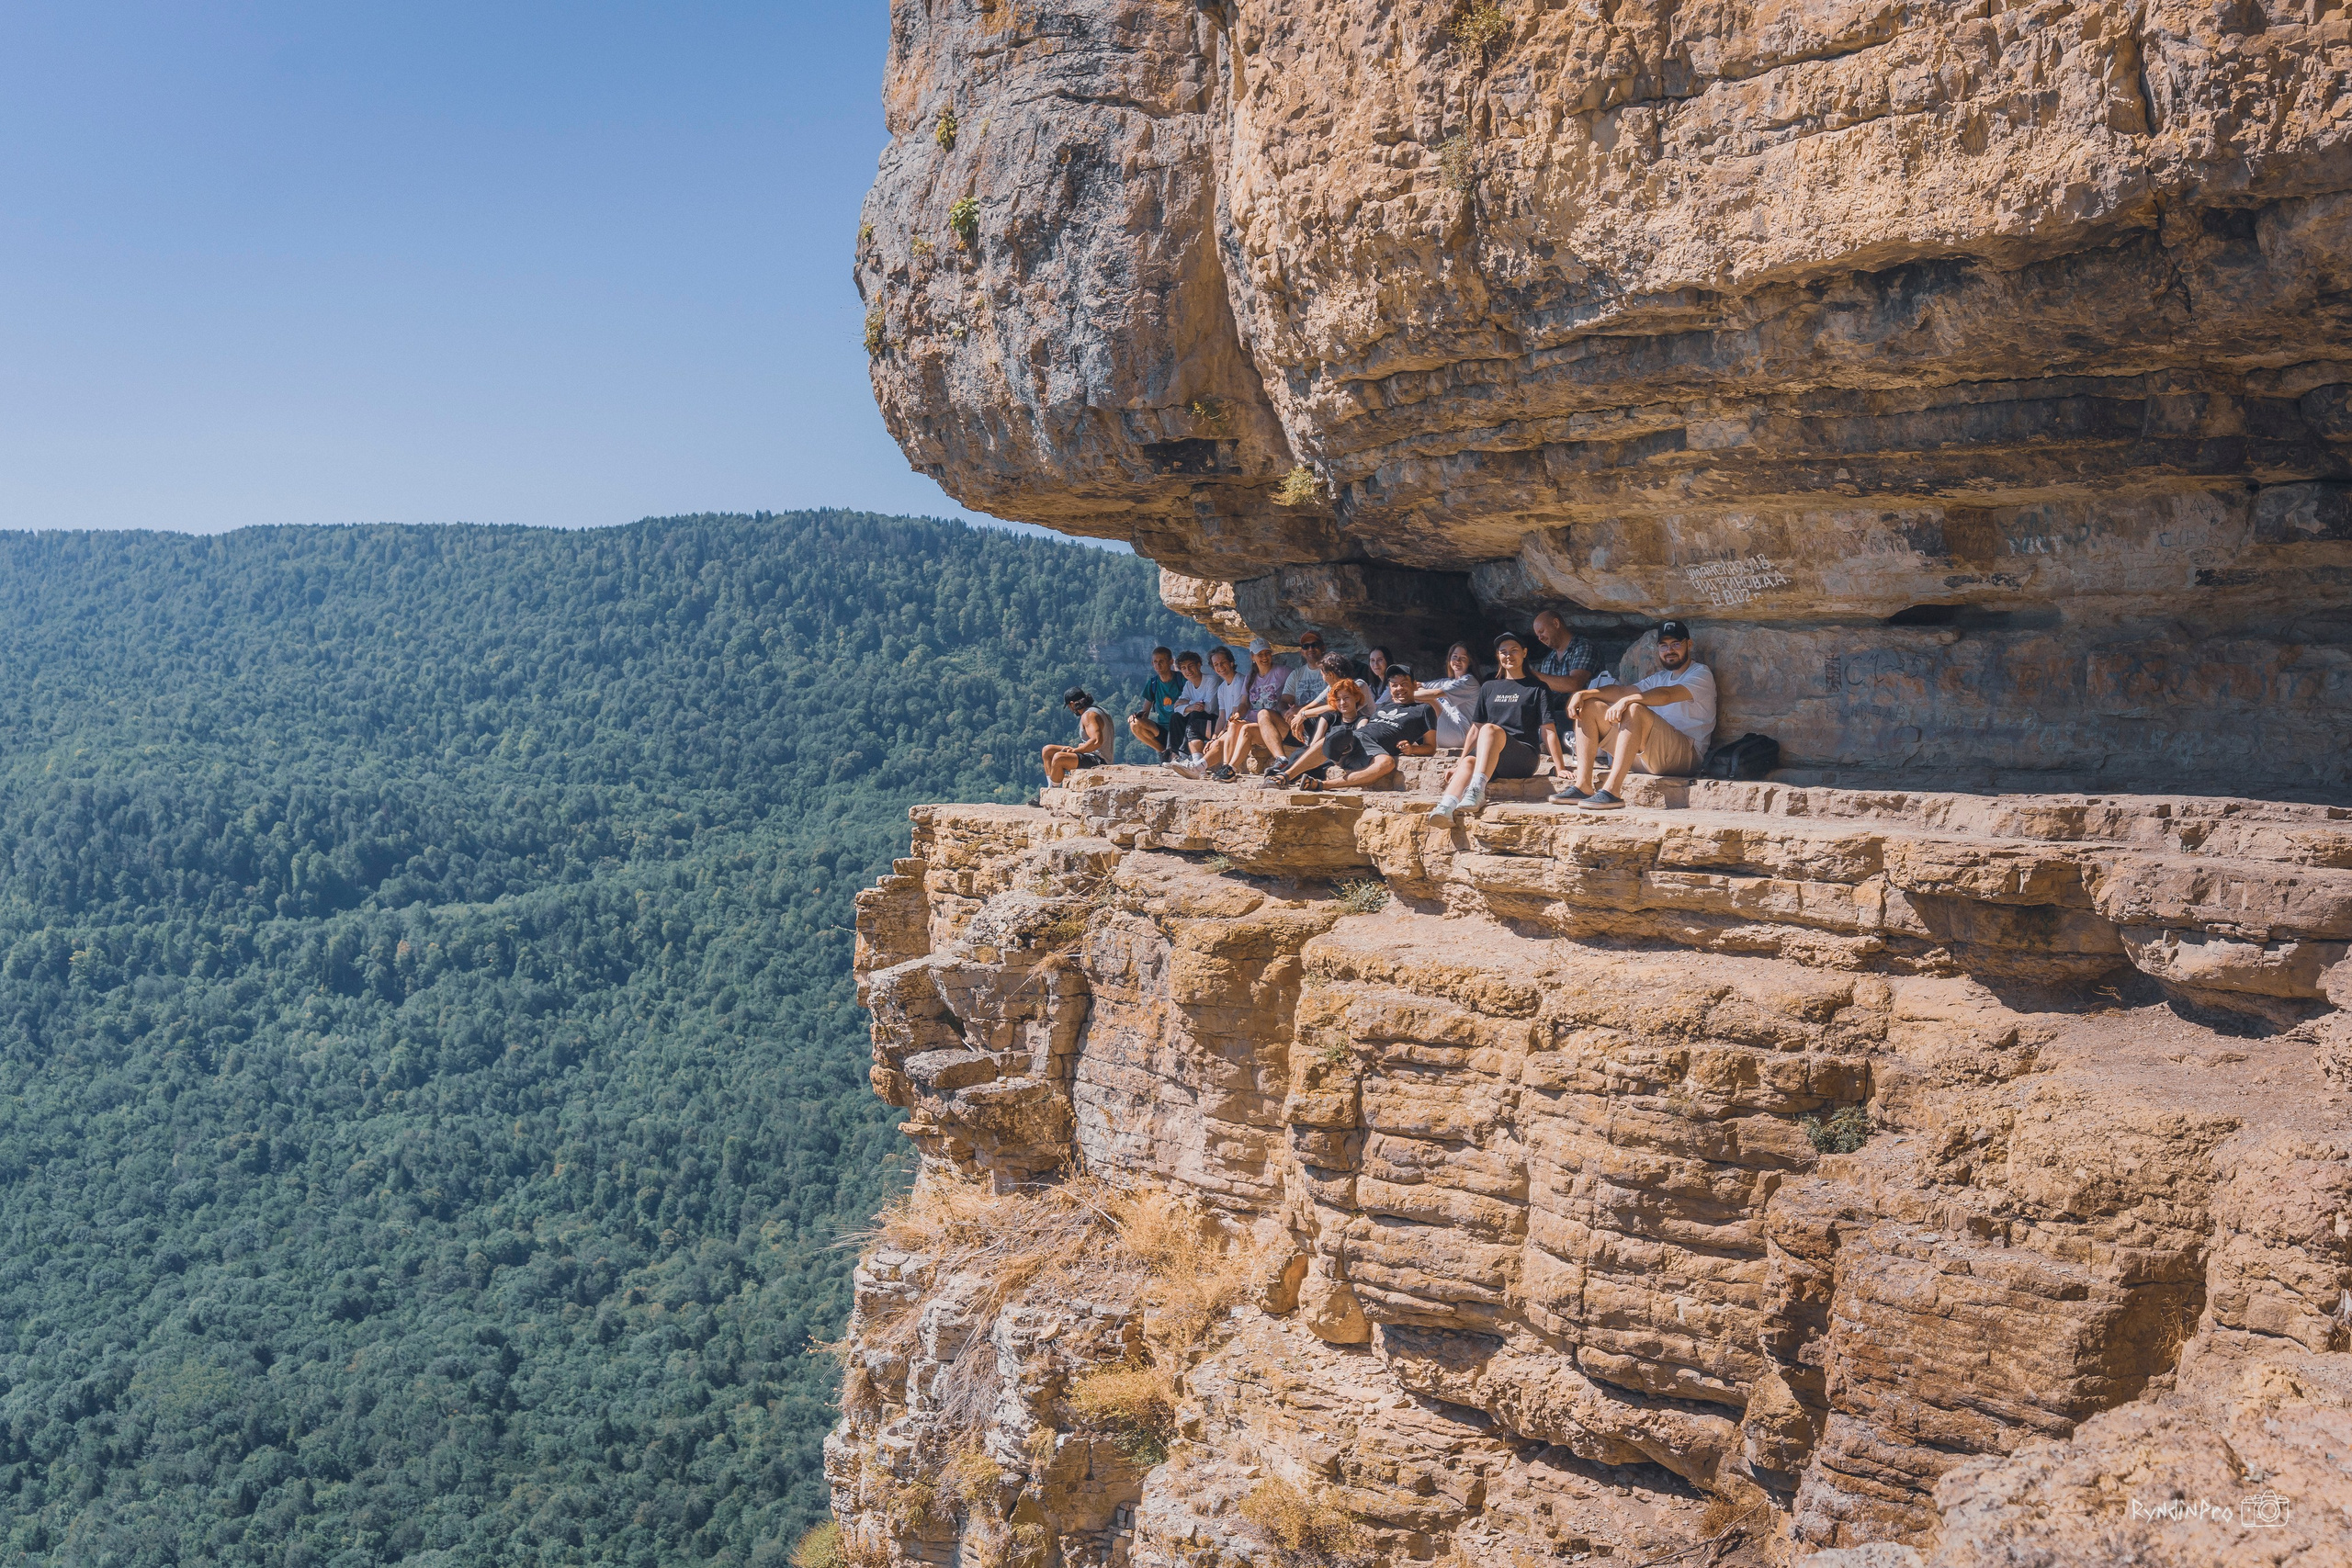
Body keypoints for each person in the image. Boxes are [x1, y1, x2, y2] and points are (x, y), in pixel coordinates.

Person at [1557, 619, 1717, 811]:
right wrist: (1583, 694)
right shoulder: (1660, 678)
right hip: (1647, 757)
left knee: (1634, 708)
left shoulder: (1701, 673)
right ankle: (1583, 785)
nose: (1670, 650)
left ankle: (1612, 792)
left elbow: (1668, 695)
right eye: (1664, 646)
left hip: (1684, 756)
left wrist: (1630, 701)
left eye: (1676, 644)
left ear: (1688, 645)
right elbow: (1622, 691)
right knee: (1589, 707)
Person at [1428, 631, 1553, 825]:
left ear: (1525, 653)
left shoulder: (1537, 687)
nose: (1508, 655)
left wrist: (1560, 766)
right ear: (1498, 656)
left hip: (1522, 757)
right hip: (1493, 757)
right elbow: (1475, 729)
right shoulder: (1489, 686)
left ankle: (1477, 791)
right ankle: (1446, 806)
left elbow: (1548, 728)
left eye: (1514, 650)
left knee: (1490, 729)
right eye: (1503, 651)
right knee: (1470, 761)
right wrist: (1460, 762)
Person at [1261, 664, 1437, 791]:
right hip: (1358, 738)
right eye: (1394, 685)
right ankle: (1285, 776)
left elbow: (1431, 747)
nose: (1399, 689)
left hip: (1376, 751)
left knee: (1387, 763)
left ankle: (1321, 785)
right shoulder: (1382, 706)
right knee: (1338, 735)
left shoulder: (1423, 709)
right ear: (1390, 688)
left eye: (1404, 684)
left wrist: (1413, 748)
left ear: (1414, 684)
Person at [1528, 609, 1599, 794]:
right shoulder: (1549, 659)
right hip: (1557, 718)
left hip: (1584, 719)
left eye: (1542, 632)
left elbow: (1575, 683)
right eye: (1537, 635)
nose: (1540, 638)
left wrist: (1534, 675)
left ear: (1556, 623)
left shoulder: (1583, 647)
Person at [1205, 639, 1295, 780]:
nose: (1264, 658)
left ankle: (1230, 768)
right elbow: (1244, 704)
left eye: (1267, 653)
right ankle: (1227, 767)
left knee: (1260, 715)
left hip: (1276, 724)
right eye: (1260, 654)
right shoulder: (1249, 678)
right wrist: (1237, 714)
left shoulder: (1282, 672)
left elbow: (1297, 685)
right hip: (1257, 725)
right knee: (1235, 724)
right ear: (1252, 657)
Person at [1043, 687, 1114, 785]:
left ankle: (1052, 790)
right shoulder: (1098, 710)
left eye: (1069, 706)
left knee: (1059, 758)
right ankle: (1050, 785)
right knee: (1048, 750)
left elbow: (1096, 741)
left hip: (1099, 761)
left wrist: (1075, 751)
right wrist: (1081, 747)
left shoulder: (1088, 715)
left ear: (1072, 704)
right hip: (1091, 755)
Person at [1419, 641, 1482, 750]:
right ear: (1449, 660)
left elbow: (1435, 694)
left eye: (1463, 658)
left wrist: (1405, 695)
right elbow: (1417, 685)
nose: (1457, 661)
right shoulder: (1446, 682)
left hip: (1461, 734)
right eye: (1455, 657)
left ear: (1470, 662)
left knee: (1431, 700)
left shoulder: (1469, 681)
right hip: (1445, 732)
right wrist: (1406, 692)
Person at [1128, 646, 1186, 762]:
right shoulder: (1153, 683)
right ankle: (1164, 752)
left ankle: (1172, 753)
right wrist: (1137, 716)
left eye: (1161, 661)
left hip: (1181, 730)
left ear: (1171, 662)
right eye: (1155, 662)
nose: (1158, 665)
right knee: (1135, 724)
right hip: (1163, 730)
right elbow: (1145, 712)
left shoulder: (1182, 680)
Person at [1172, 649, 1219, 766]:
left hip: (1215, 722)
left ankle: (1185, 756)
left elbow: (1209, 708)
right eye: (1183, 668)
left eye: (1190, 666)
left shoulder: (1211, 681)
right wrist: (1191, 706)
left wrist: (1188, 703)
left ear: (1199, 665)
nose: (1188, 671)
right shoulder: (1188, 685)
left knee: (1194, 714)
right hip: (1196, 720)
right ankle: (1174, 754)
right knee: (1176, 717)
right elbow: (1176, 707)